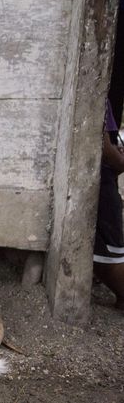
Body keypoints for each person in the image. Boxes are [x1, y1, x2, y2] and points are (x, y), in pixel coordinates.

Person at [94, 99, 124, 309]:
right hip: (104, 178)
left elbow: (105, 143)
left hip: (104, 179)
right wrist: (120, 161)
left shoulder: (102, 100)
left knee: (110, 254)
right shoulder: (102, 99)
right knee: (112, 253)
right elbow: (104, 145)